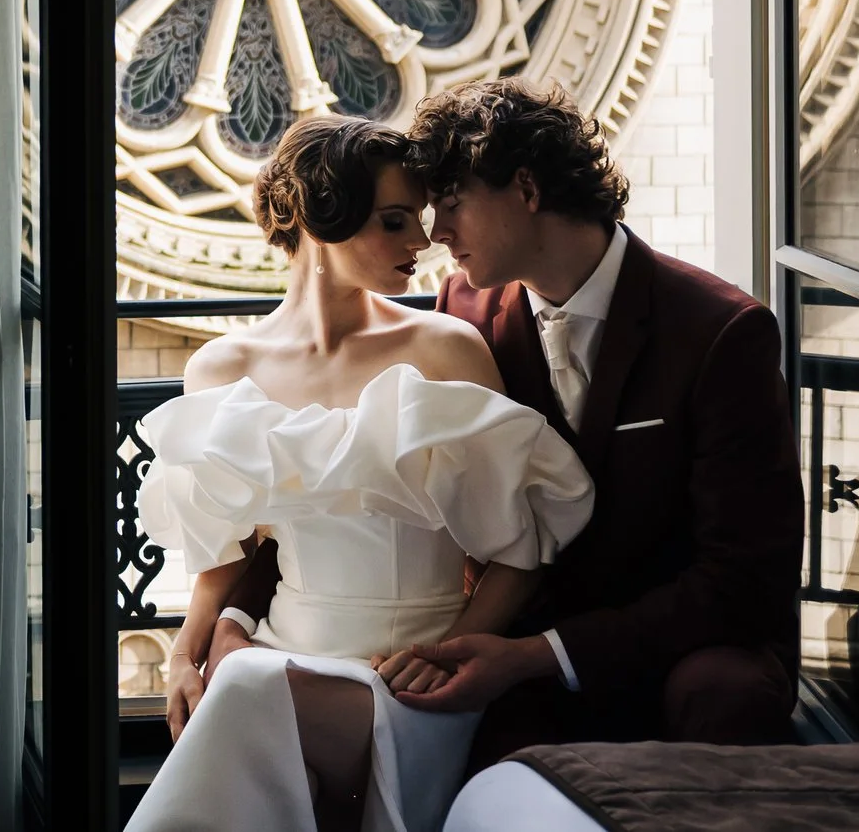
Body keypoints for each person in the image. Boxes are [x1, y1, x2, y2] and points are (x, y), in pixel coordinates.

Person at [241, 77, 802, 794]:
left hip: (685, 644)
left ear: (527, 188)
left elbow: (744, 579)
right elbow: (341, 476)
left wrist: (541, 652)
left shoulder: (721, 331)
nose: (433, 232)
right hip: (510, 641)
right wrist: (237, 613)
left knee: (726, 696)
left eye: (449, 202)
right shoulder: (461, 314)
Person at [127, 114, 594, 832]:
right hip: (282, 652)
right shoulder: (221, 368)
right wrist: (186, 655)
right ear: (321, 215)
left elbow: (520, 551)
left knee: (246, 694)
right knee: (244, 683)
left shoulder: (447, 349)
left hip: (406, 678)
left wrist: (450, 657)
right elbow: (223, 557)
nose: (423, 243)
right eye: (396, 221)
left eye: (423, 219)